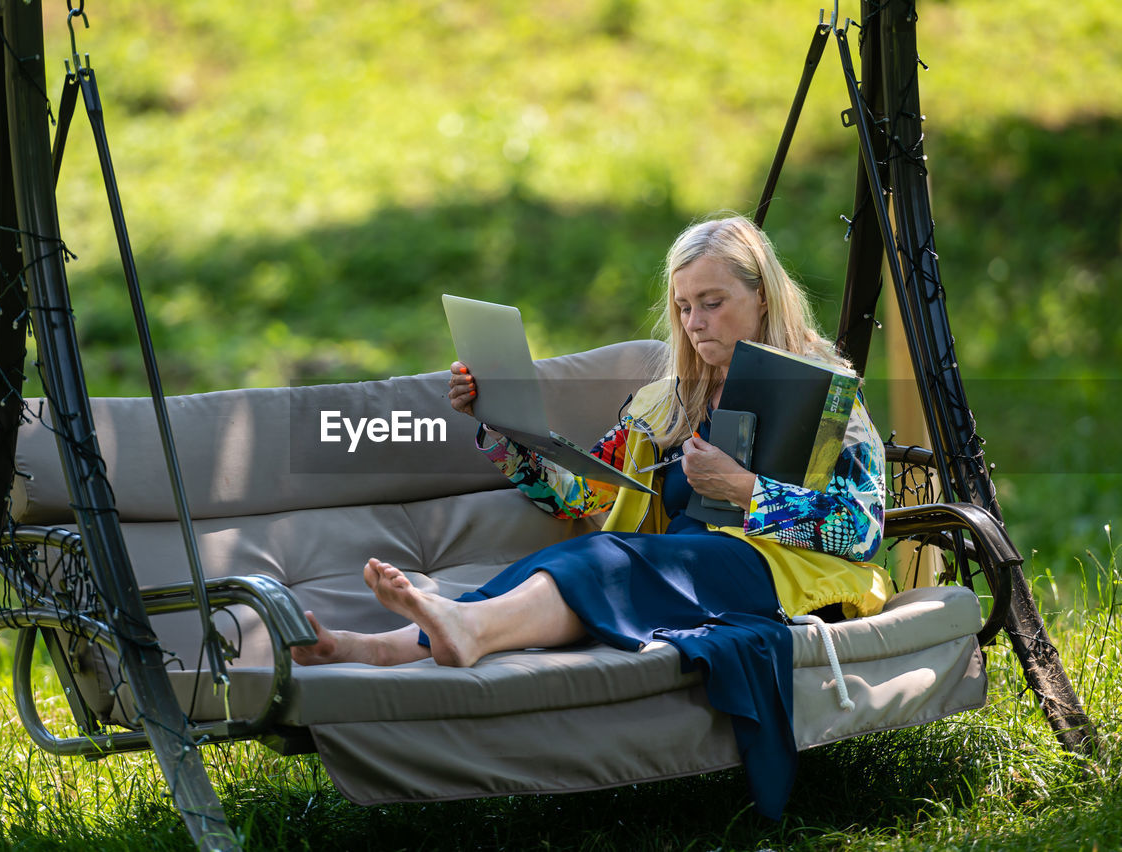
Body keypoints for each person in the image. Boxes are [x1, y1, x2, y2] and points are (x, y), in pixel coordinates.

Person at [292, 215, 893, 817]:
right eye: (684, 307)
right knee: (572, 558)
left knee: (604, 559)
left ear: (762, 296)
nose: (695, 323)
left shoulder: (825, 389)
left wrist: (745, 490)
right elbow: (581, 494)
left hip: (781, 575)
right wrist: (500, 425)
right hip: (678, 570)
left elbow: (863, 530)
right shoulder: (668, 400)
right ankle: (385, 647)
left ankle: (447, 633)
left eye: (713, 303)